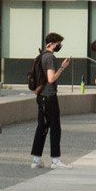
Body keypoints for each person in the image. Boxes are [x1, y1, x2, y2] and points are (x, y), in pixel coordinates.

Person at [30, 32, 71, 169]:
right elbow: (51, 78)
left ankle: (36, 159)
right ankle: (55, 160)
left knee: (42, 126)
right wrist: (62, 68)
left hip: (40, 96)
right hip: (50, 96)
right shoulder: (50, 58)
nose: (60, 46)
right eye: (59, 43)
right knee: (55, 127)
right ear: (52, 43)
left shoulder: (40, 56)